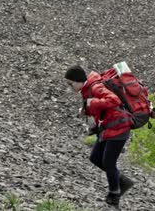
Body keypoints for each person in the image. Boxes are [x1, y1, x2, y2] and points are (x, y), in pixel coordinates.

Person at [65, 65, 135, 208]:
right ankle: (122, 181)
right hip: (108, 128)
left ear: (78, 80)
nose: (69, 87)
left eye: (70, 83)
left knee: (108, 162)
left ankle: (114, 195)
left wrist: (93, 103)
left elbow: (114, 100)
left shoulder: (95, 87)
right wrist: (87, 110)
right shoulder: (87, 89)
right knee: (95, 157)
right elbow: (102, 109)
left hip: (119, 127)